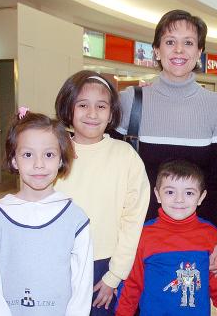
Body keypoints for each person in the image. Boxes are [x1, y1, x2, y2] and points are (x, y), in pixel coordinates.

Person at [114, 9, 217, 275]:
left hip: (193, 239)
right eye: (170, 42)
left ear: (199, 52)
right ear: (156, 50)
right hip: (138, 237)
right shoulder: (130, 101)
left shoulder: (216, 107)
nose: (179, 50)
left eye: (188, 42)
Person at [0, 109, 93, 316]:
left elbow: (82, 283)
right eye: (28, 154)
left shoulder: (76, 219)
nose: (38, 164)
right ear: (14, 160)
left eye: (49, 154)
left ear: (60, 160)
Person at [54, 71, 150, 316]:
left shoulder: (125, 155)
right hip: (60, 261)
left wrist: (115, 274)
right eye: (83, 105)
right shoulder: (54, 152)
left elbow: (133, 220)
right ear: (68, 107)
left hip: (109, 265)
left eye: (101, 106)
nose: (92, 113)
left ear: (111, 112)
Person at [115, 160, 217, 316]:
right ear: (157, 194)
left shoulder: (210, 234)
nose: (179, 199)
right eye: (170, 192)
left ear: (201, 197)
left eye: (189, 193)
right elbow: (131, 284)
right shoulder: (144, 235)